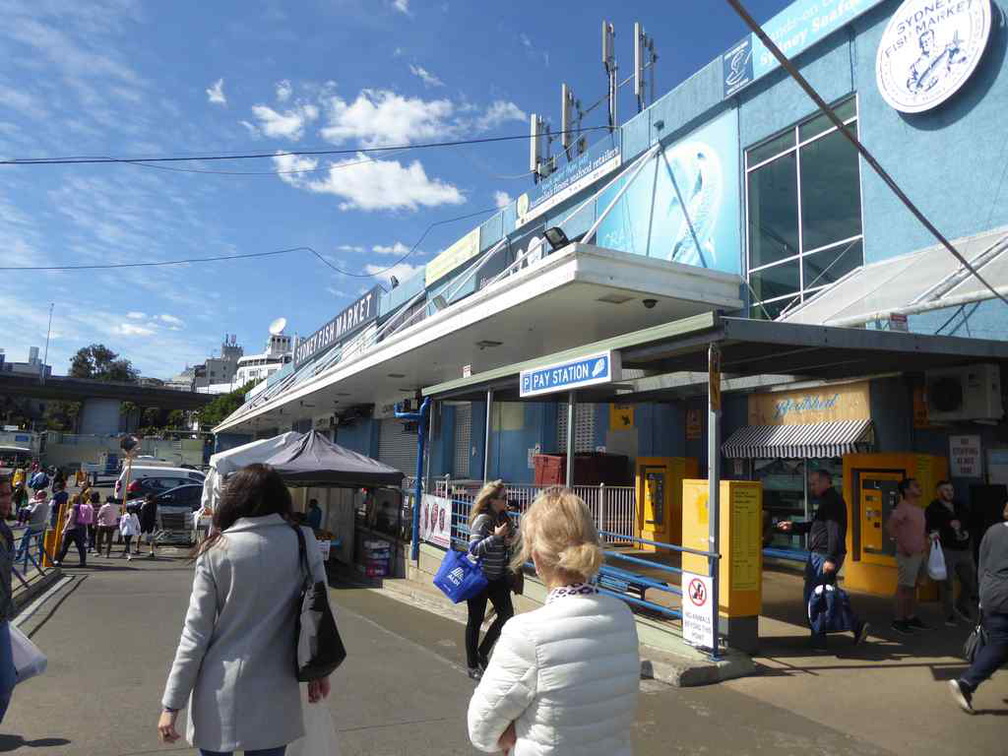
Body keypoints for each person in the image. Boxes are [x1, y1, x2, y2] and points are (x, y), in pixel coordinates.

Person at [157, 463, 332, 755]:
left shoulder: (216, 549)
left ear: (234, 499)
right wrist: (319, 671)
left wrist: (171, 704)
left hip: (218, 688)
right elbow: (319, 612)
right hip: (277, 688)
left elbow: (195, 634)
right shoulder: (302, 541)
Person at [468, 488, 640, 755]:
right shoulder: (622, 616)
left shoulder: (526, 634)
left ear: (535, 558)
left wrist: (514, 731)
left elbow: (481, 727)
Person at [778, 469, 869, 650]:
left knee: (815, 597)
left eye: (815, 483)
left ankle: (820, 639)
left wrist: (830, 558)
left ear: (827, 481)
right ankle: (854, 626)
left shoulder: (832, 502)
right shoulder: (828, 500)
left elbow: (835, 532)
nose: (812, 487)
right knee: (826, 595)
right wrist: (794, 526)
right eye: (811, 484)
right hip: (822, 554)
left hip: (823, 555)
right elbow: (818, 526)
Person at [949, 500, 1008, 713]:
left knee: (1000, 642)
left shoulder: (992, 531)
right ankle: (966, 682)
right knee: (1000, 644)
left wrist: (982, 595)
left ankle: (967, 683)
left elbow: (982, 562)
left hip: (991, 593)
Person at [465, 480, 516, 681]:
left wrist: (508, 541)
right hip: (479, 578)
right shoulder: (483, 519)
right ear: (492, 500)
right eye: (503, 498)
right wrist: (495, 538)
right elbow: (474, 549)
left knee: (507, 615)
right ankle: (472, 666)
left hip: (497, 577)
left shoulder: (503, 518)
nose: (507, 500)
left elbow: (505, 544)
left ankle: (482, 652)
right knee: (475, 621)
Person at [926, 480, 977, 625]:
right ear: (939, 492)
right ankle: (949, 614)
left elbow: (970, 522)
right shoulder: (933, 509)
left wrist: (966, 532)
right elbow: (930, 527)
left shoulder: (960, 506)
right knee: (946, 584)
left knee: (971, 582)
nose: (950, 492)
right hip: (946, 550)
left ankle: (961, 605)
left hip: (964, 550)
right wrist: (935, 534)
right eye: (946, 490)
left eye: (951, 490)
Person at [886, 479, 929, 634]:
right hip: (907, 554)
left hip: (920, 553)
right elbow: (890, 527)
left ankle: (910, 616)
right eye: (916, 486)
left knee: (913, 587)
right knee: (904, 587)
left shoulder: (918, 508)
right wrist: (903, 547)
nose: (919, 488)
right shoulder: (902, 508)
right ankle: (898, 620)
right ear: (906, 490)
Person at [0, 478, 17, 723]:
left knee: (6, 684)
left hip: (1, 617)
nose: (6, 500)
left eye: (7, 494)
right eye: (1, 495)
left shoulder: (5, 531)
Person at [15, 490, 50, 564]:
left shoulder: (38, 505)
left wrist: (25, 513)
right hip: (41, 526)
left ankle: (18, 556)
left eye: (38, 495)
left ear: (42, 496)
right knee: (40, 543)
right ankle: (41, 559)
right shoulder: (47, 504)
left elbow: (31, 514)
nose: (36, 496)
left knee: (23, 540)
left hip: (33, 526)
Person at [54, 493, 87, 567]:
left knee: (65, 546)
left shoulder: (73, 508)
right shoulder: (82, 507)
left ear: (73, 499)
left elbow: (70, 518)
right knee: (80, 546)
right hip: (81, 528)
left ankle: (58, 560)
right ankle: (83, 562)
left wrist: (64, 529)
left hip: (71, 529)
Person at [139, 493, 158, 559]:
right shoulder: (154, 505)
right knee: (150, 537)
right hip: (151, 522)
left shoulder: (145, 505)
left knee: (140, 534)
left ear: (146, 498)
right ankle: (151, 551)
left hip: (144, 522)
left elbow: (142, 514)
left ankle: (137, 548)